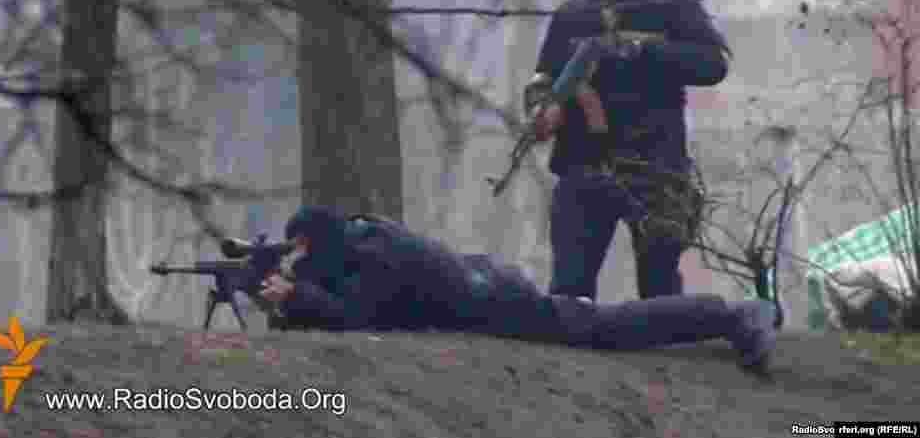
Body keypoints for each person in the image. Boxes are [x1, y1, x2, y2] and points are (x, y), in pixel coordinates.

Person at [243, 206, 777, 375]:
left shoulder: (377, 257)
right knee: (602, 323)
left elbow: (360, 318)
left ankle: (732, 316)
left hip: (500, 303)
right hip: (484, 286)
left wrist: (296, 298)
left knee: (606, 328)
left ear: (322, 243)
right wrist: (285, 297)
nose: (300, 261)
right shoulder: (356, 246)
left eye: (302, 250)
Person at [525, 0, 731, 300]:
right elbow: (545, 77)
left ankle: (673, 361)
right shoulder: (573, 13)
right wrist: (539, 109)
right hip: (583, 163)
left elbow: (712, 64)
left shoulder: (672, 4)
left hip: (652, 165)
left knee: (659, 286)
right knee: (569, 289)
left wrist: (643, 51)